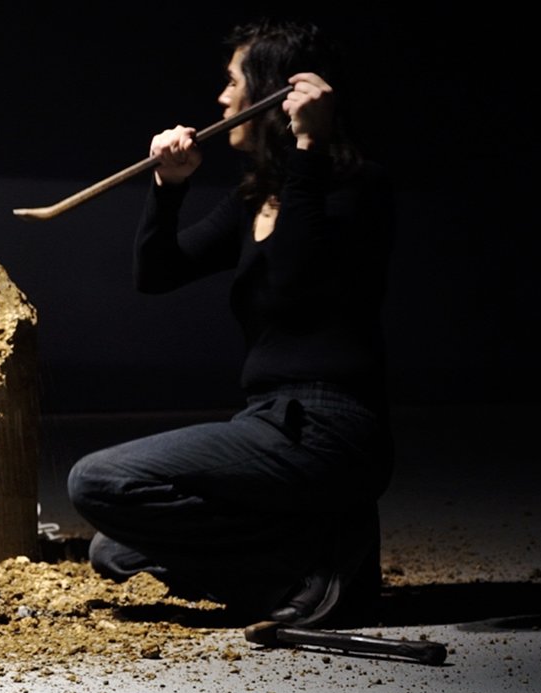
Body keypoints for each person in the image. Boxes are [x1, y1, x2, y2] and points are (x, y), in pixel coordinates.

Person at [65, 18, 395, 628]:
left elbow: (296, 279)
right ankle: (320, 553)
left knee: (97, 481)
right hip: (270, 422)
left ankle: (306, 570)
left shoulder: (354, 188)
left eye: (232, 82)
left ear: (274, 94)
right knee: (114, 552)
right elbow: (157, 273)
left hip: (330, 429)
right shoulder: (254, 199)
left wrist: (309, 151)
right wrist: (169, 187)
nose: (221, 100)